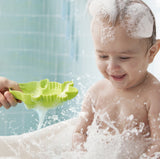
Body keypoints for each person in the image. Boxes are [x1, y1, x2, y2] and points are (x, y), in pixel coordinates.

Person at [72, 0, 160, 158]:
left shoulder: (153, 94)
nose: (112, 67)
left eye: (124, 58)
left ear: (152, 53)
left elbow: (158, 146)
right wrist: (81, 154)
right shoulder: (97, 92)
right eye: (103, 56)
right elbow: (79, 133)